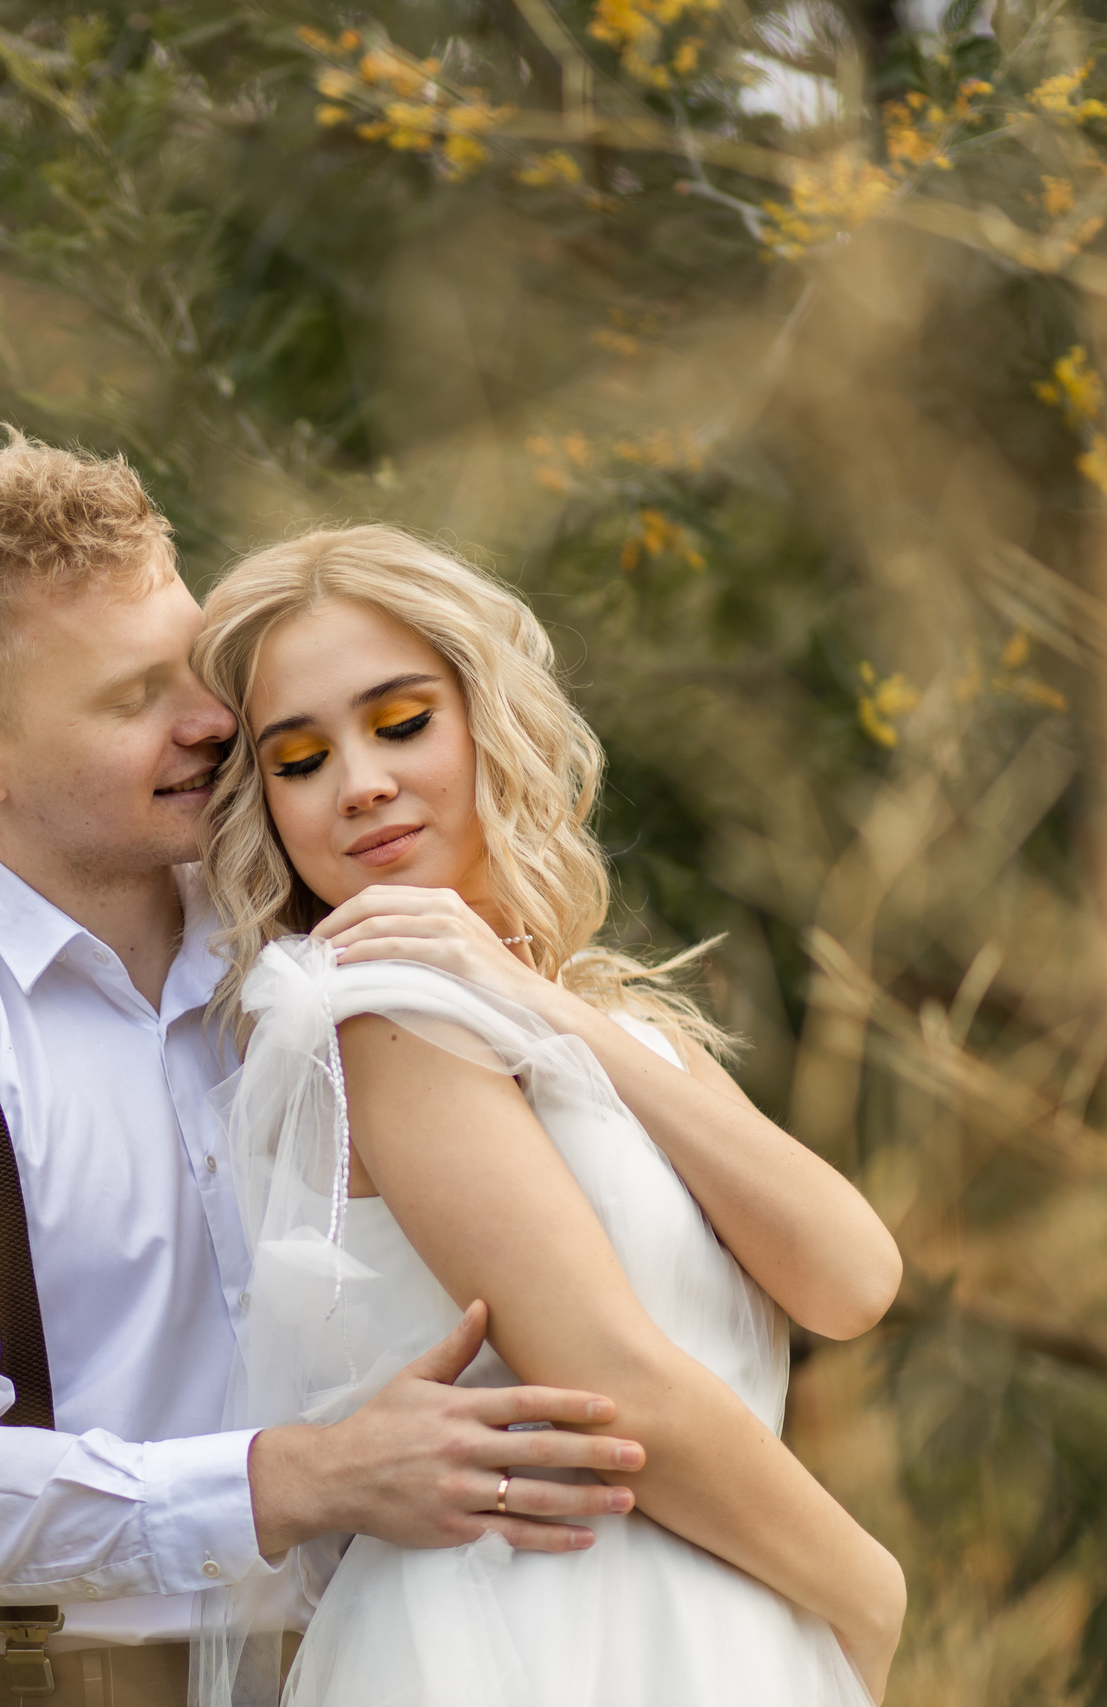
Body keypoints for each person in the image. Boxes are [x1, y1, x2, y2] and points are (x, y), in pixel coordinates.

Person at [0, 441, 647, 1707]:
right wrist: (302, 1479)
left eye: (196, 665)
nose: (212, 721)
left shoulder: (333, 941)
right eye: (132, 701)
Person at [185, 524, 907, 1706]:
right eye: (299, 759)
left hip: (717, 1626)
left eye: (402, 722)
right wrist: (865, 1588)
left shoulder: (596, 1019)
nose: (359, 782)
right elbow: (607, 1385)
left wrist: (542, 1004)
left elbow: (848, 1276)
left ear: (487, 721)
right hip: (523, 1638)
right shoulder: (386, 1019)